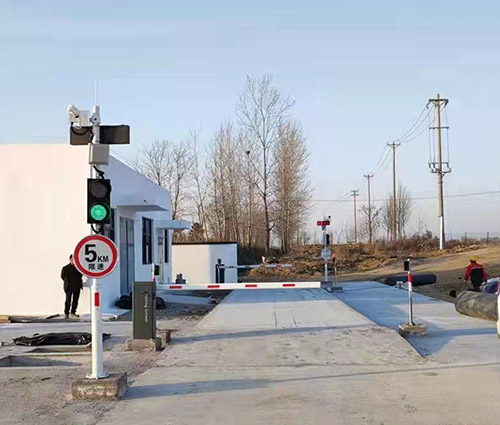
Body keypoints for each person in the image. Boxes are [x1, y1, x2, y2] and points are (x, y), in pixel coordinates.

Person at [61, 254, 83, 319]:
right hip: (69, 286)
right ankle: (66, 313)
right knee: (68, 300)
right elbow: (62, 276)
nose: (73, 261)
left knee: (75, 300)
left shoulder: (79, 268)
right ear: (70, 260)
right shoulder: (65, 268)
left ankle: (73, 312)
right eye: (72, 259)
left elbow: (80, 276)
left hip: (77, 286)